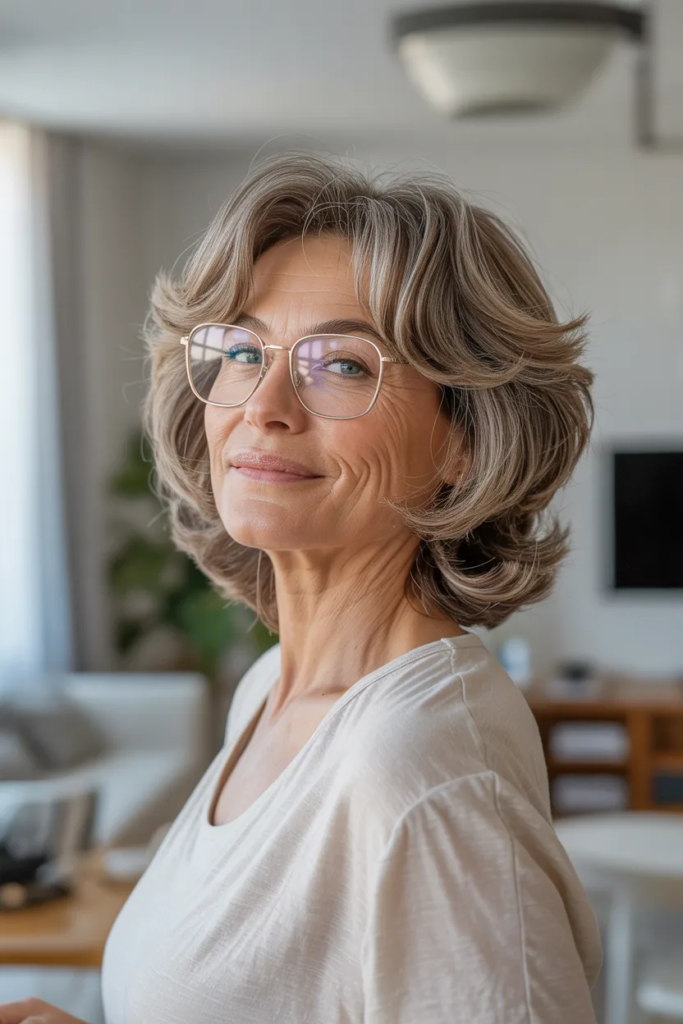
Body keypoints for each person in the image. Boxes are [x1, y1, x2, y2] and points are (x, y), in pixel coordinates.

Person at [2, 152, 602, 1024]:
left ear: (466, 437)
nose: (265, 403)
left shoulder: (424, 773)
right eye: (242, 349)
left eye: (343, 365)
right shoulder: (268, 692)